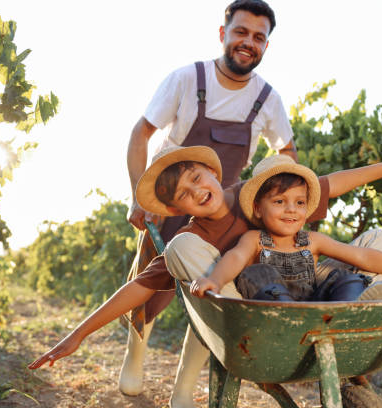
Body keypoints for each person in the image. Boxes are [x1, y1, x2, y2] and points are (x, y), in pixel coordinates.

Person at [29, 145, 382, 408]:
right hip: (269, 314)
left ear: (212, 171)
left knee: (378, 239)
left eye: (197, 178)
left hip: (320, 298)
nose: (196, 191)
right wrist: (78, 335)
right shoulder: (195, 237)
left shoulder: (258, 195)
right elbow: (137, 288)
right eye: (183, 195)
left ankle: (359, 325)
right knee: (184, 252)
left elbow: (329, 185)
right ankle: (309, 328)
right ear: (173, 209)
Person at [121, 1, 296, 404]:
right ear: (223, 34)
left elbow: (287, 154)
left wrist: (277, 206)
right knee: (148, 284)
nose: (248, 42)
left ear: (266, 45)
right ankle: (135, 356)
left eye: (258, 37)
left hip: (225, 206)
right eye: (241, 32)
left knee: (213, 293)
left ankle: (183, 390)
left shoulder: (268, 98)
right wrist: (137, 197)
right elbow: (139, 134)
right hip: (171, 200)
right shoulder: (187, 79)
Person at [188, 155, 382, 302]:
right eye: (279, 202)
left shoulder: (312, 240)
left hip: (314, 308)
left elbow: (363, 257)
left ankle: (353, 309)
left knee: (346, 278)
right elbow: (234, 259)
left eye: (299, 203)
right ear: (258, 208)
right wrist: (215, 280)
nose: (291, 210)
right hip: (274, 313)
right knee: (259, 272)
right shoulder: (254, 239)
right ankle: (293, 315)